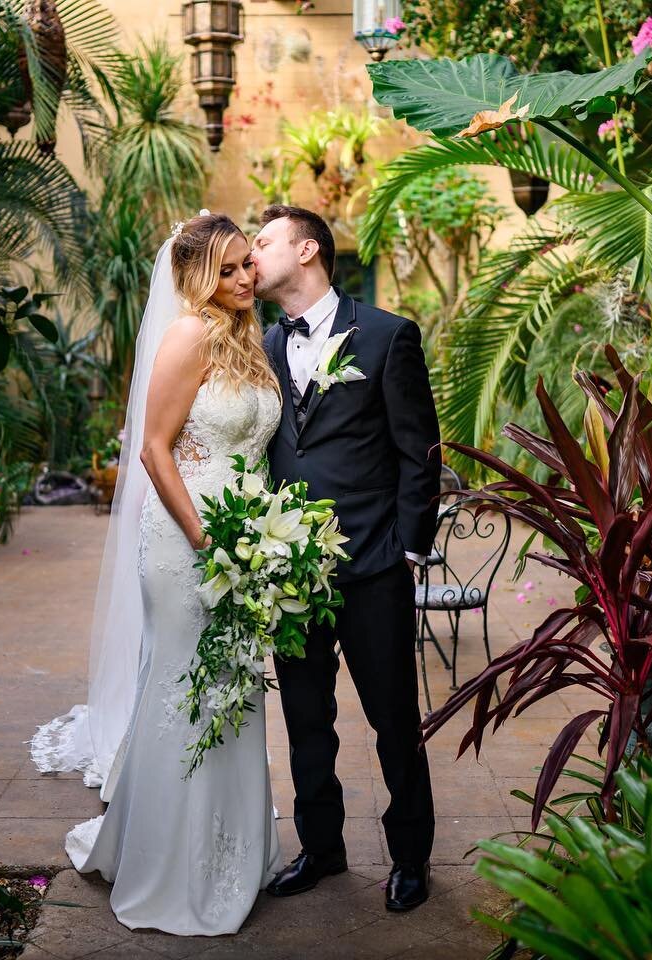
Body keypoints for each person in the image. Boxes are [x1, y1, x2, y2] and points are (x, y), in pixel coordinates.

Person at [30, 213, 283, 935]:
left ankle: (227, 850)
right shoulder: (188, 335)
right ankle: (169, 866)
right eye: (227, 270)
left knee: (234, 691)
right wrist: (209, 541)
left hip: (246, 539)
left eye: (246, 266)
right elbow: (153, 451)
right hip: (187, 543)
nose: (242, 279)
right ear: (197, 275)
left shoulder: (246, 340)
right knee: (186, 691)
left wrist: (262, 541)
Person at [250, 204, 442, 912]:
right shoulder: (264, 347)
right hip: (290, 571)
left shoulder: (388, 336)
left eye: (264, 242)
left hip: (372, 566)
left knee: (394, 720)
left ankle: (412, 857)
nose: (252, 253)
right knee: (305, 719)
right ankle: (322, 850)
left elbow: (419, 447)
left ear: (307, 251)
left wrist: (410, 546)